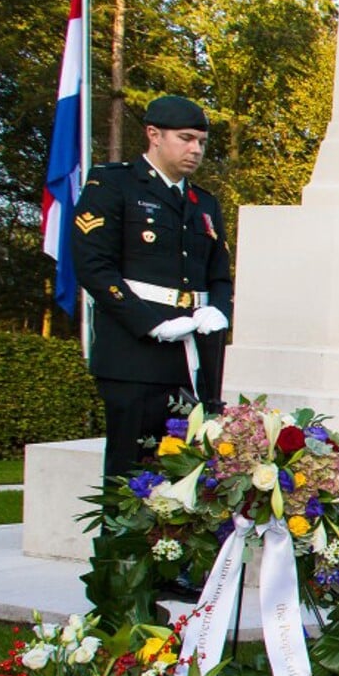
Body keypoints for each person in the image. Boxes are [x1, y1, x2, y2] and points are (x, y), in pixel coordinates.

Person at [71, 95, 233, 485]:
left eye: (201, 142)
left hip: (192, 355)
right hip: (135, 353)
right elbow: (93, 266)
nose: (196, 149)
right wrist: (149, 324)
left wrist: (220, 310)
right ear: (153, 135)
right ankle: (119, 548)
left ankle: (170, 549)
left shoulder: (203, 202)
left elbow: (219, 274)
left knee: (187, 473)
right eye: (186, 138)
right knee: (132, 472)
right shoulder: (113, 184)